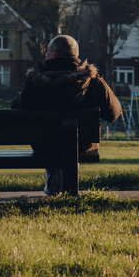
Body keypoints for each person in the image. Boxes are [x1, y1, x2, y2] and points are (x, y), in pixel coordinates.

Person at [12, 34, 122, 196]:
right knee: (72, 143)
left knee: (50, 140)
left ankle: (53, 177)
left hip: (45, 145)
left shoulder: (35, 82)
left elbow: (15, 114)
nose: (46, 55)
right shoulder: (92, 81)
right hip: (81, 143)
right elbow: (113, 113)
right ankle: (59, 179)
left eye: (48, 51)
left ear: (55, 53)